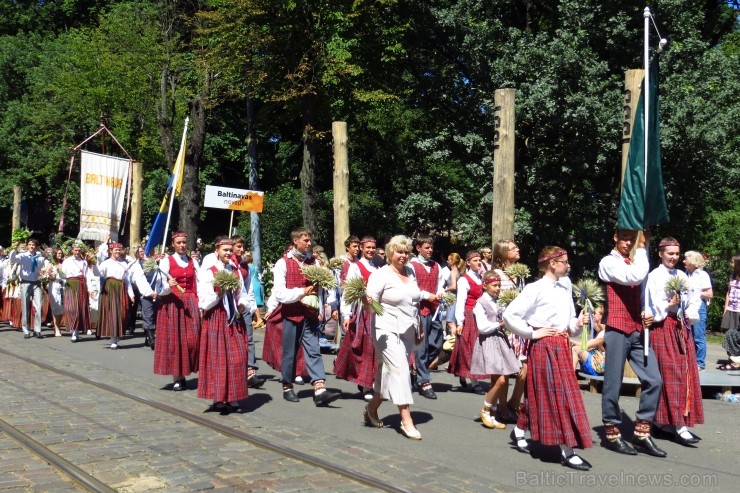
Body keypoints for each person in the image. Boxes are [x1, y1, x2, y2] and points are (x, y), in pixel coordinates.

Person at [503, 246, 592, 471]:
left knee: (540, 393)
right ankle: (567, 451)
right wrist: (532, 333)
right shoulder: (536, 288)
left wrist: (578, 324)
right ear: (553, 263)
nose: (568, 265)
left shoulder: (566, 285)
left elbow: (568, 323)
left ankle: (520, 430)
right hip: (544, 347)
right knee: (556, 395)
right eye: (564, 261)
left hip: (562, 346)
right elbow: (510, 315)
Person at [598, 229, 666, 458]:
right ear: (615, 237)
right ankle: (612, 432)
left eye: (632, 239)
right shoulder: (608, 262)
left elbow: (645, 292)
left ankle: (641, 431)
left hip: (638, 328)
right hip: (617, 328)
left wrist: (650, 312)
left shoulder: (636, 262)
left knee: (654, 379)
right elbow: (632, 278)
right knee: (613, 383)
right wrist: (642, 248)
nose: (628, 243)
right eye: (625, 238)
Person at [364, 235, 425, 439]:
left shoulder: (411, 271)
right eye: (399, 251)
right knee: (400, 371)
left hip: (408, 330)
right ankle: (406, 420)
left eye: (406, 252)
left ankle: (371, 408)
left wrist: (419, 325)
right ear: (390, 253)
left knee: (387, 374)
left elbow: (414, 302)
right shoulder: (380, 275)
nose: (403, 255)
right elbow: (370, 307)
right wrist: (368, 301)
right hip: (386, 330)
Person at [272, 227, 340, 406]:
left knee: (313, 349)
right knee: (289, 352)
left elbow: (324, 287)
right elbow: (280, 293)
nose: (309, 244)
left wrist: (321, 305)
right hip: (291, 313)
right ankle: (287, 385)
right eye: (306, 241)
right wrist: (302, 291)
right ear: (295, 241)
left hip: (309, 314)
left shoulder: (314, 262)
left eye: (310, 241)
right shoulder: (282, 263)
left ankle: (320, 388)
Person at [646, 237, 703, 446]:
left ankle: (675, 423)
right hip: (664, 327)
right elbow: (651, 305)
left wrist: (687, 311)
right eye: (670, 253)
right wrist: (668, 304)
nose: (674, 257)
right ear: (660, 253)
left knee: (685, 373)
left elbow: (694, 297)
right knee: (670, 374)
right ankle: (670, 424)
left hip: (681, 326)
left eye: (677, 254)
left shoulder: (681, 275)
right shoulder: (654, 276)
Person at [198, 237, 256, 413]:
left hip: (233, 319)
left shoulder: (235, 270)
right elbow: (204, 301)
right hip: (216, 317)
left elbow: (243, 293)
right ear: (217, 250)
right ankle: (219, 397)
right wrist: (219, 293)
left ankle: (234, 396)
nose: (228, 253)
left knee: (238, 357)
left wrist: (242, 304)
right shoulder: (209, 271)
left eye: (230, 250)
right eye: (225, 250)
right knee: (218, 359)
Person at [472, 271, 520, 429]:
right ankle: (485, 410)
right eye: (494, 285)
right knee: (500, 380)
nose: (498, 288)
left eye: (499, 285)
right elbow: (482, 327)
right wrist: (499, 324)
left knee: (501, 378)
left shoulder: (497, 301)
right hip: (489, 341)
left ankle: (492, 413)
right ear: (485, 285)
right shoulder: (481, 303)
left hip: (499, 340)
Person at [153, 232, 200, 390]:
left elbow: (198, 283)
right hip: (172, 303)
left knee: (192, 340)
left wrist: (199, 303)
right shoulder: (166, 262)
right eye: (179, 242)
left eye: (184, 242)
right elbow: (160, 289)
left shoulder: (193, 261)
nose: (182, 245)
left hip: (190, 303)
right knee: (176, 341)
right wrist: (169, 285)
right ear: (173, 244)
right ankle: (177, 377)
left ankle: (186, 370)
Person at [335, 235, 379, 400]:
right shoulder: (356, 267)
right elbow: (348, 292)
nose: (371, 250)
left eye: (373, 248)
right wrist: (346, 314)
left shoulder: (377, 267)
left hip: (376, 311)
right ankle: (367, 385)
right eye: (367, 248)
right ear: (361, 248)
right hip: (362, 312)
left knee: (376, 348)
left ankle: (371, 380)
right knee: (366, 348)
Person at [491, 239, 527, 412]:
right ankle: (502, 407)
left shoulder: (520, 274)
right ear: (504, 253)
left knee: (525, 367)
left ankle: (514, 401)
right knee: (503, 370)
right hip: (504, 326)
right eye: (513, 248)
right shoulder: (497, 274)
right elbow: (492, 301)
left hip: (518, 327)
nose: (518, 249)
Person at [409, 234, 444, 399]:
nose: (430, 250)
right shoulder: (412, 266)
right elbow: (411, 289)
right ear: (418, 248)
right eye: (427, 247)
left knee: (437, 343)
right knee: (421, 347)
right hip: (419, 309)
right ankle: (424, 381)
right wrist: (426, 295)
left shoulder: (436, 265)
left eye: (431, 247)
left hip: (434, 309)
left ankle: (416, 366)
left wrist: (439, 293)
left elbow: (440, 285)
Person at [449, 251, 489, 393]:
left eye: (479, 260)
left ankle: (463, 372)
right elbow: (460, 302)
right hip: (469, 315)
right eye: (475, 260)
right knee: (469, 348)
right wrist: (459, 321)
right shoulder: (464, 280)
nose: (478, 262)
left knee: (473, 347)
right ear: (468, 262)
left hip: (479, 315)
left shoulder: (480, 278)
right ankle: (474, 381)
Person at [97, 242, 135, 349]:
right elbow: (99, 273)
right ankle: (113, 339)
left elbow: (127, 280)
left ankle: (117, 334)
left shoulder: (124, 263)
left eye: (119, 250)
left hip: (121, 288)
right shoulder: (106, 263)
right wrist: (94, 263)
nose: (117, 252)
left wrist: (131, 294)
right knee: (113, 312)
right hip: (110, 288)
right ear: (111, 251)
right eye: (115, 250)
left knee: (123, 313)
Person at [10, 238, 50, 339]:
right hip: (25, 283)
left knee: (38, 306)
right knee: (25, 306)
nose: (32, 246)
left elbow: (42, 268)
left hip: (36, 283)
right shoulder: (23, 255)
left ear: (36, 246)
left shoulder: (39, 257)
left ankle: (37, 330)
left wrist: (47, 256)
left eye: (33, 245)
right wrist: (14, 248)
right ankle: (26, 330)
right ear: (28, 245)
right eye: (30, 244)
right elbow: (13, 259)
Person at [129, 247, 164, 350]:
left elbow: (160, 277)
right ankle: (151, 339)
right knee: (148, 315)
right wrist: (149, 292)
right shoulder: (137, 265)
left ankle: (148, 338)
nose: (144, 253)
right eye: (141, 251)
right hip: (146, 294)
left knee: (157, 315)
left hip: (158, 293)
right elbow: (140, 280)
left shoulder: (157, 263)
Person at [684, 250, 713, 371]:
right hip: (687, 306)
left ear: (694, 260)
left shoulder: (702, 275)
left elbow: (710, 294)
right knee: (687, 335)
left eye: (686, 258)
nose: (683, 260)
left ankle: (700, 363)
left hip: (699, 306)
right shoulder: (686, 274)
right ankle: (690, 360)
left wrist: (694, 292)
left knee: (698, 336)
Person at [571, 305, 606, 376]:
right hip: (598, 365)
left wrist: (571, 341)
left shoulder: (604, 333)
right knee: (581, 350)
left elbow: (585, 345)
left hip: (598, 366)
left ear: (601, 316)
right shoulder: (601, 332)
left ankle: (571, 376)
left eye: (595, 313)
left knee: (575, 349)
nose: (592, 314)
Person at [720, 255, 740, 370]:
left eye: (732, 262)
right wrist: (725, 308)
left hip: (739, 311)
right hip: (731, 309)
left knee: (737, 336)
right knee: (729, 334)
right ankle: (731, 359)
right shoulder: (732, 276)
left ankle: (737, 361)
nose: (730, 264)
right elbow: (728, 292)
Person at [48, 247, 66, 336]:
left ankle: (57, 325)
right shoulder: (51, 264)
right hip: (54, 286)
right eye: (58, 253)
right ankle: (56, 327)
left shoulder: (64, 263)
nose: (60, 255)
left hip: (63, 286)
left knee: (62, 308)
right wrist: (52, 275)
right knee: (55, 307)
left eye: (61, 253)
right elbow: (47, 276)